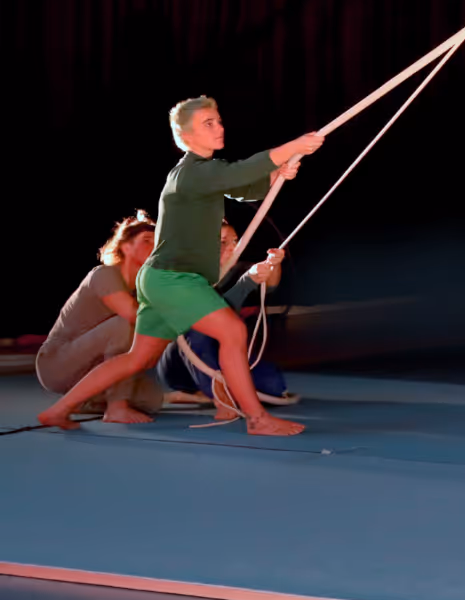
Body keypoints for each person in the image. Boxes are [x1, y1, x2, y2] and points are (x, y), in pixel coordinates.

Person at [36, 97, 318, 438]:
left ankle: (58, 410)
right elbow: (239, 173)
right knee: (233, 332)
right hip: (172, 279)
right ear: (183, 137)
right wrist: (292, 146)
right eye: (207, 124)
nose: (219, 127)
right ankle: (257, 419)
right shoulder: (191, 173)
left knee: (137, 358)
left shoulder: (203, 174)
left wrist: (277, 172)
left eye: (218, 120)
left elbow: (244, 188)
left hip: (161, 279)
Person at [35, 212, 169, 424]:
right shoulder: (104, 274)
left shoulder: (140, 291)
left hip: (91, 367)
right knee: (128, 324)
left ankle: (84, 399)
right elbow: (134, 317)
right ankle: (116, 407)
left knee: (152, 400)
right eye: (146, 241)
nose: (154, 247)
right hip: (57, 364)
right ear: (125, 247)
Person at [157, 224, 298, 409]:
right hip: (185, 359)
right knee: (198, 332)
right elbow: (205, 316)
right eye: (223, 242)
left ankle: (209, 393)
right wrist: (245, 284)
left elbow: (270, 283)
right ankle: (213, 394)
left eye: (234, 241)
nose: (232, 247)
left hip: (224, 354)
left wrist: (273, 263)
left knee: (273, 386)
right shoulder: (186, 274)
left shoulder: (239, 269)